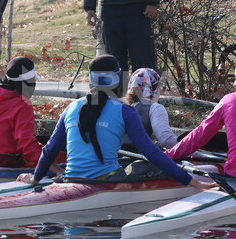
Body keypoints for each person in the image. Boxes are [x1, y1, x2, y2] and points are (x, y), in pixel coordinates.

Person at [23, 55, 214, 189]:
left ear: (90, 81)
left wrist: (35, 178)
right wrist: (192, 181)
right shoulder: (125, 111)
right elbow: (151, 152)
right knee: (149, 163)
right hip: (105, 180)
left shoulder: (71, 108)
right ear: (117, 80)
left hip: (72, 177)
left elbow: (49, 150)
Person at [122, 68, 179, 148]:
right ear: (155, 89)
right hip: (133, 157)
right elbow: (167, 141)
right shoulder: (155, 108)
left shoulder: (118, 105)